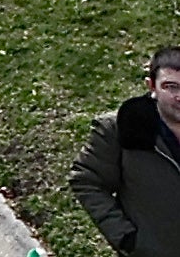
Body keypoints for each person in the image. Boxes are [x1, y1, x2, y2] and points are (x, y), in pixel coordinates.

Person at [72, 47, 180, 252]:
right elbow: (87, 180)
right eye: (171, 86)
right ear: (152, 87)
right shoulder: (121, 129)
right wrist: (126, 238)